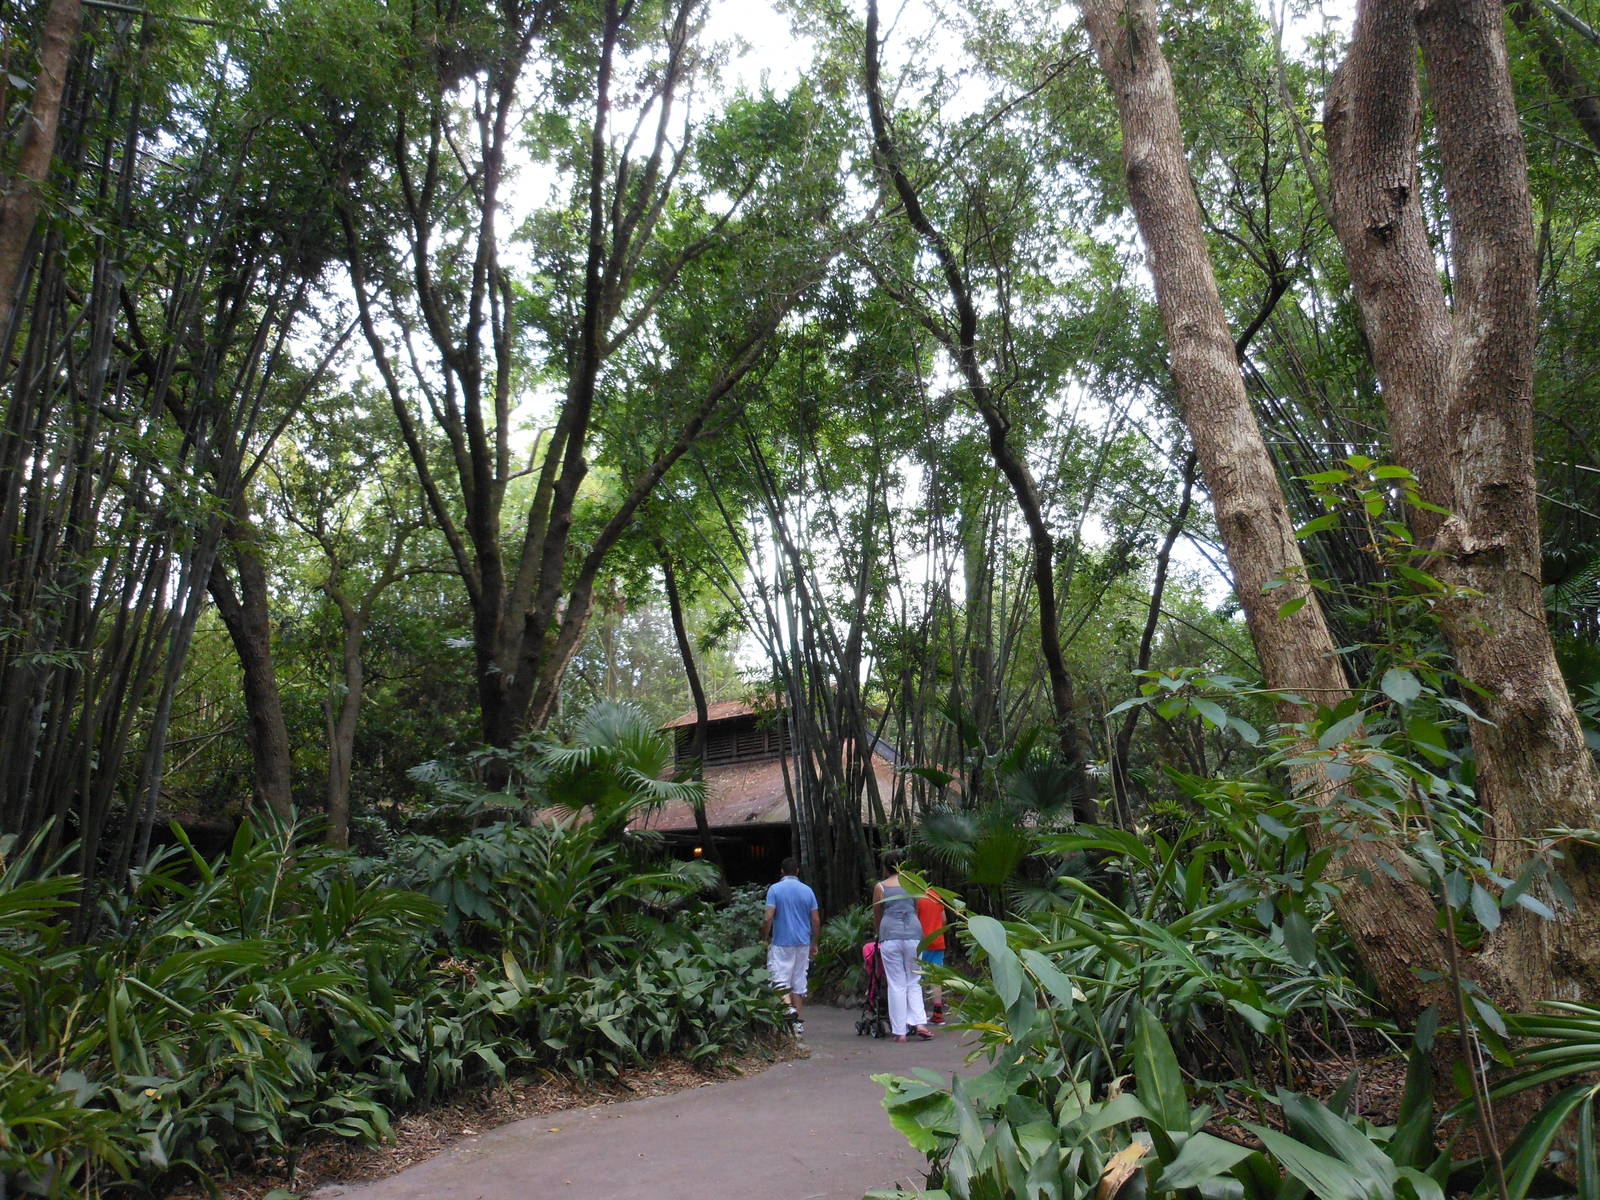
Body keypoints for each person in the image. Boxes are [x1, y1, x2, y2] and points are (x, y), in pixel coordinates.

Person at [872, 849, 933, 1042]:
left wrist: (879, 932)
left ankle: (900, 1032)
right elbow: (915, 908)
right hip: (914, 933)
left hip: (890, 935)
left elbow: (877, 913)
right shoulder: (913, 884)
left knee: (896, 983)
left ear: (885, 867)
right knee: (914, 980)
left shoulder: (880, 887)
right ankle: (920, 1023)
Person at [761, 857, 819, 1035]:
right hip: (802, 942)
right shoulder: (807, 891)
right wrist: (814, 942)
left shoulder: (775, 889)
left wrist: (764, 936)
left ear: (782, 871)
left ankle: (788, 1009)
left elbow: (768, 917)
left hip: (781, 942)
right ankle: (797, 1024)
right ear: (798, 871)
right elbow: (815, 920)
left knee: (779, 979)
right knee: (799, 980)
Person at [916, 887, 948, 1024]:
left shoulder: (915, 897)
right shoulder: (936, 895)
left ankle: (918, 1014)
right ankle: (938, 1013)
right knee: (935, 979)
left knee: (917, 978)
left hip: (921, 942)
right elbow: (944, 920)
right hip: (938, 941)